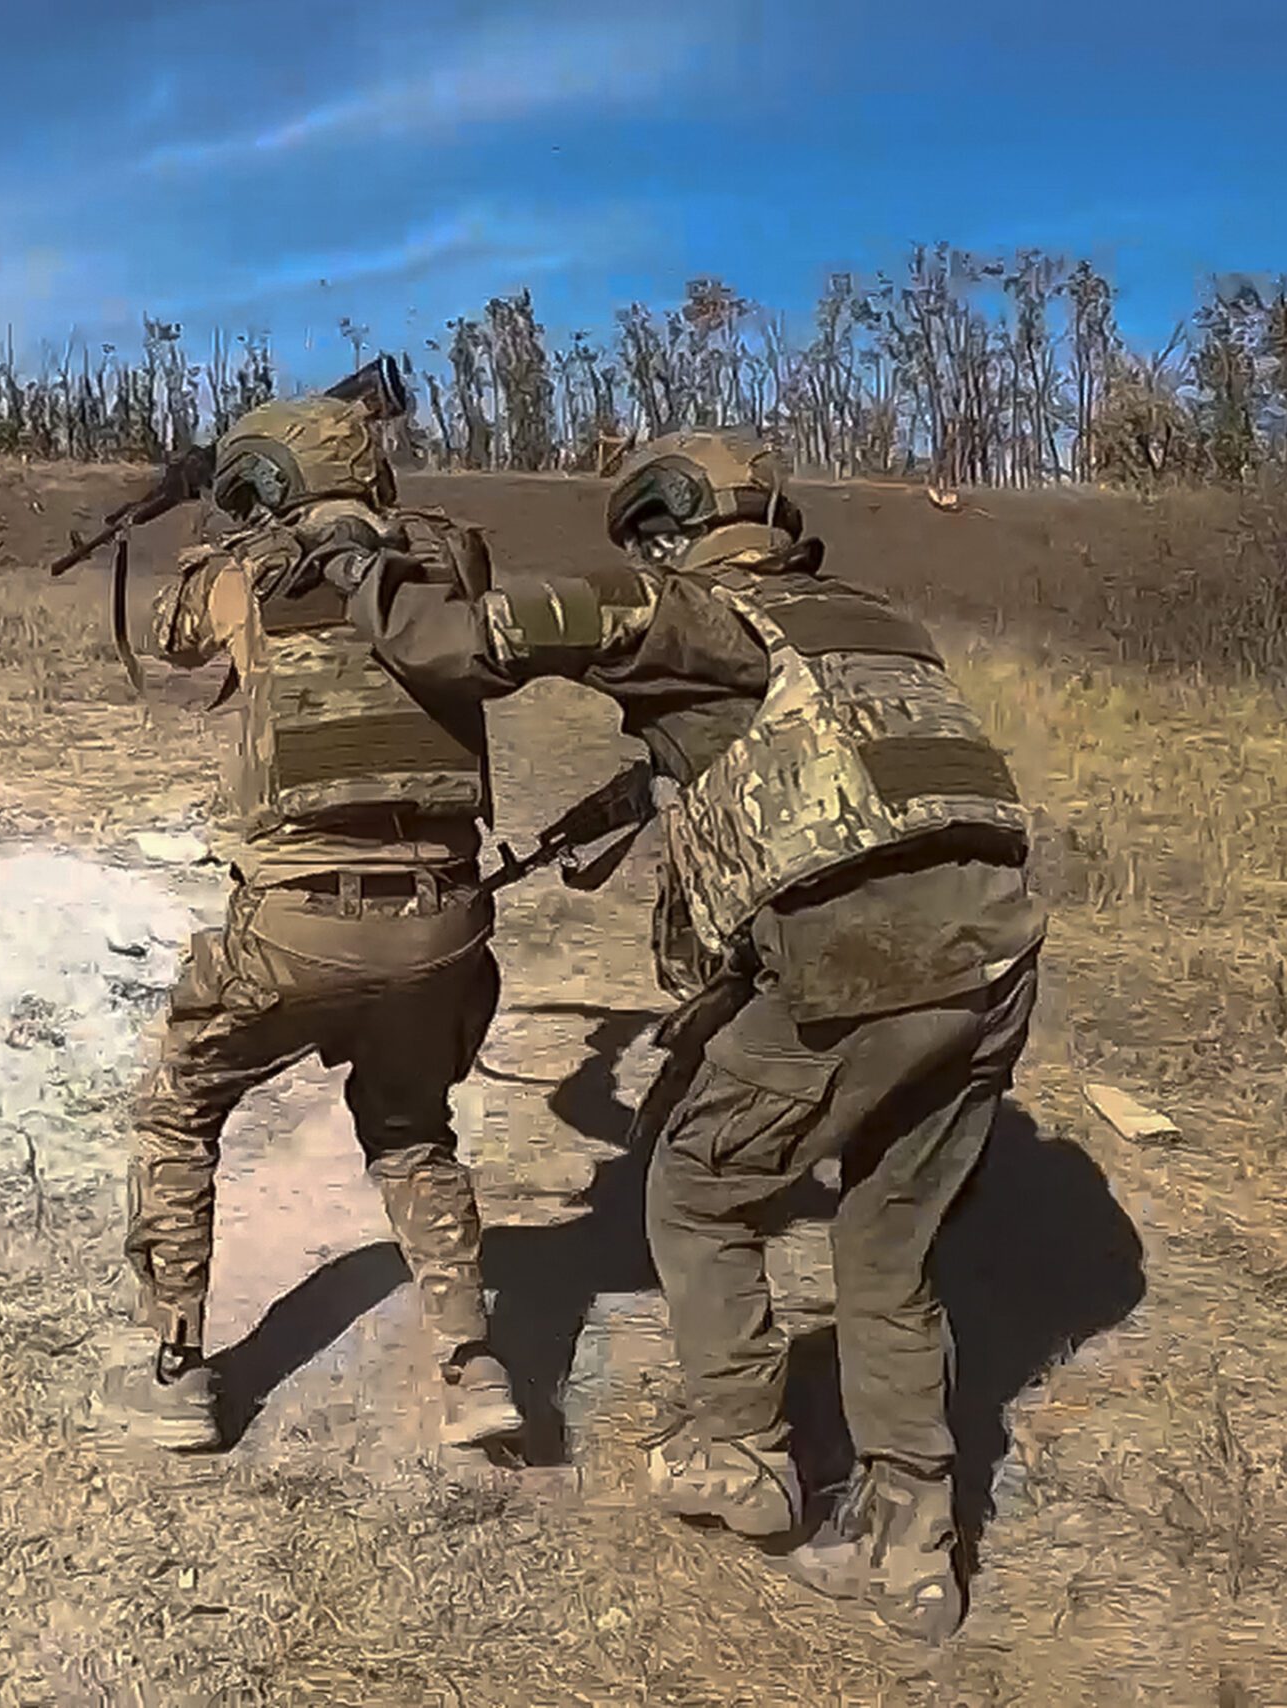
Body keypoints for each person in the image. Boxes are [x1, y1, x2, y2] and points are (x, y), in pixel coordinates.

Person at [309, 428, 1047, 1643]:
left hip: (863, 966)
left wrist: (352, 555)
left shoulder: (675, 607)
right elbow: (791, 756)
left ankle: (742, 1449)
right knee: (886, 1252)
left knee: (698, 1191)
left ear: (661, 531)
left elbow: (441, 641)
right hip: (997, 964)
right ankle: (912, 1546)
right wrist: (632, 791)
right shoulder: (867, 621)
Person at [97, 393, 527, 1456]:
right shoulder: (444, 563)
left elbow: (169, 629)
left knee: (178, 1106)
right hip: (444, 920)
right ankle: (473, 1363)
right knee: (412, 1127)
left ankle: (175, 1367)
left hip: (296, 922)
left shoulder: (244, 575)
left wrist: (222, 509)